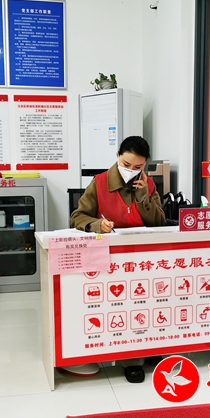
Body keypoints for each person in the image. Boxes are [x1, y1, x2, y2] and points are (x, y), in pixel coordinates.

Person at [67, 136, 166, 383]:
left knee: (148, 305)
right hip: (111, 258)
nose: (131, 170)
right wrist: (96, 224)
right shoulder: (100, 182)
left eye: (138, 167)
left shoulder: (148, 184)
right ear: (117, 156)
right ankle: (131, 360)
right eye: (126, 164)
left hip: (143, 257)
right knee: (123, 308)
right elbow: (77, 216)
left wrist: (143, 196)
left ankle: (150, 350)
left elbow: (159, 222)